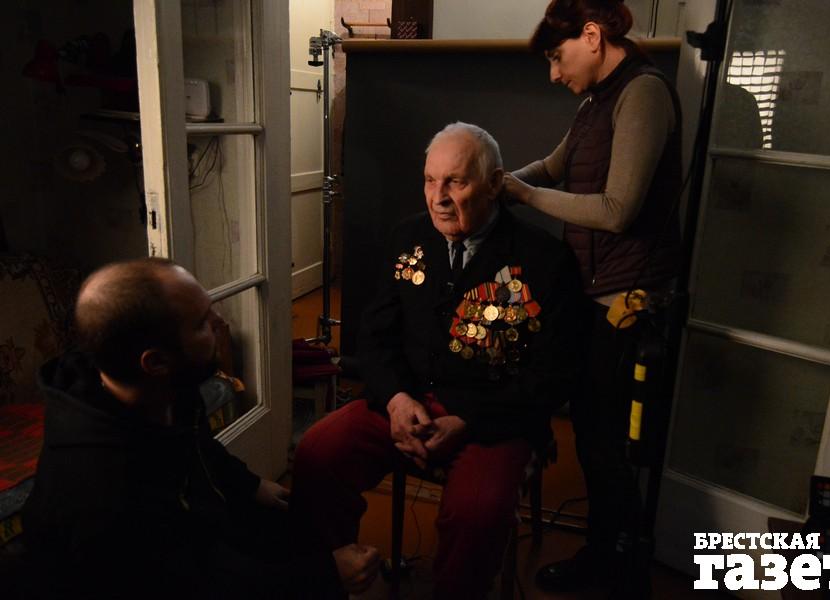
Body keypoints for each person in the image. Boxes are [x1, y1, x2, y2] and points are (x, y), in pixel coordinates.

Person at [291, 122, 589, 599]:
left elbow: (554, 374)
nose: (438, 197)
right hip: (406, 402)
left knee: (476, 513)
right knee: (317, 454)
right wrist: (395, 400)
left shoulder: (544, 258)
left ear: (494, 183)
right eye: (430, 180)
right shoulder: (407, 237)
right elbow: (376, 335)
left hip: (494, 417)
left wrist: (467, 420)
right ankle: (330, 579)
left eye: (456, 181)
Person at [22, 258, 380, 600]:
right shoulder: (104, 496)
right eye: (201, 323)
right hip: (160, 579)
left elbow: (194, 444)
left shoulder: (158, 386)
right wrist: (324, 575)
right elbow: (199, 585)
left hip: (199, 535)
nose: (220, 323)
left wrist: (248, 484)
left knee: (305, 528)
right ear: (155, 361)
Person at [503, 0, 683, 593]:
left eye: (558, 58)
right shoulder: (597, 101)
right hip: (596, 290)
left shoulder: (643, 93)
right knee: (590, 427)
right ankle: (607, 555)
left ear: (592, 36)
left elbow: (616, 210)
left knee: (607, 439)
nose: (554, 74)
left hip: (627, 297)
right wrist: (495, 181)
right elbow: (553, 167)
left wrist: (522, 197)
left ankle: (615, 564)